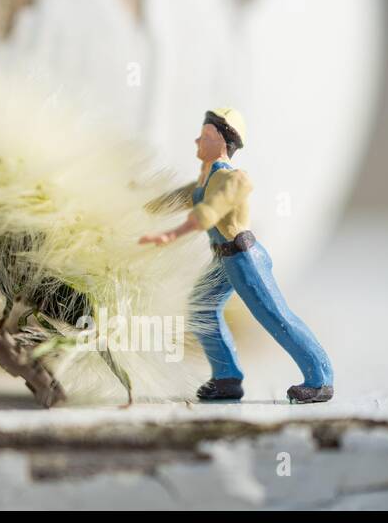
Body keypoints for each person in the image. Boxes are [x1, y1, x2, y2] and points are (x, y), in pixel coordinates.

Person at [139, 108, 334, 403]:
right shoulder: (206, 180)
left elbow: (208, 213)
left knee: (275, 317)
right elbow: (180, 198)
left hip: (244, 259)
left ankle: (320, 379)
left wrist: (169, 236)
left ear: (223, 141)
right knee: (202, 309)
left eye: (205, 135)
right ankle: (226, 378)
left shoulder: (233, 180)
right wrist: (139, 203)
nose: (197, 141)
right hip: (223, 260)